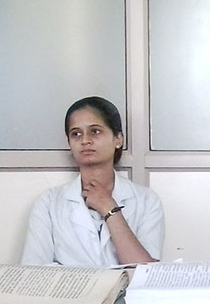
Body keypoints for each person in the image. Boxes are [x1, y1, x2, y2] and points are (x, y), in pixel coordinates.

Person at [22, 96, 164, 266]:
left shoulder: (147, 200)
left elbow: (145, 272)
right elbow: (33, 272)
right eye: (76, 134)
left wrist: (110, 209)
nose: (85, 140)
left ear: (118, 139)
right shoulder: (49, 203)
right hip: (70, 285)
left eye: (95, 131)